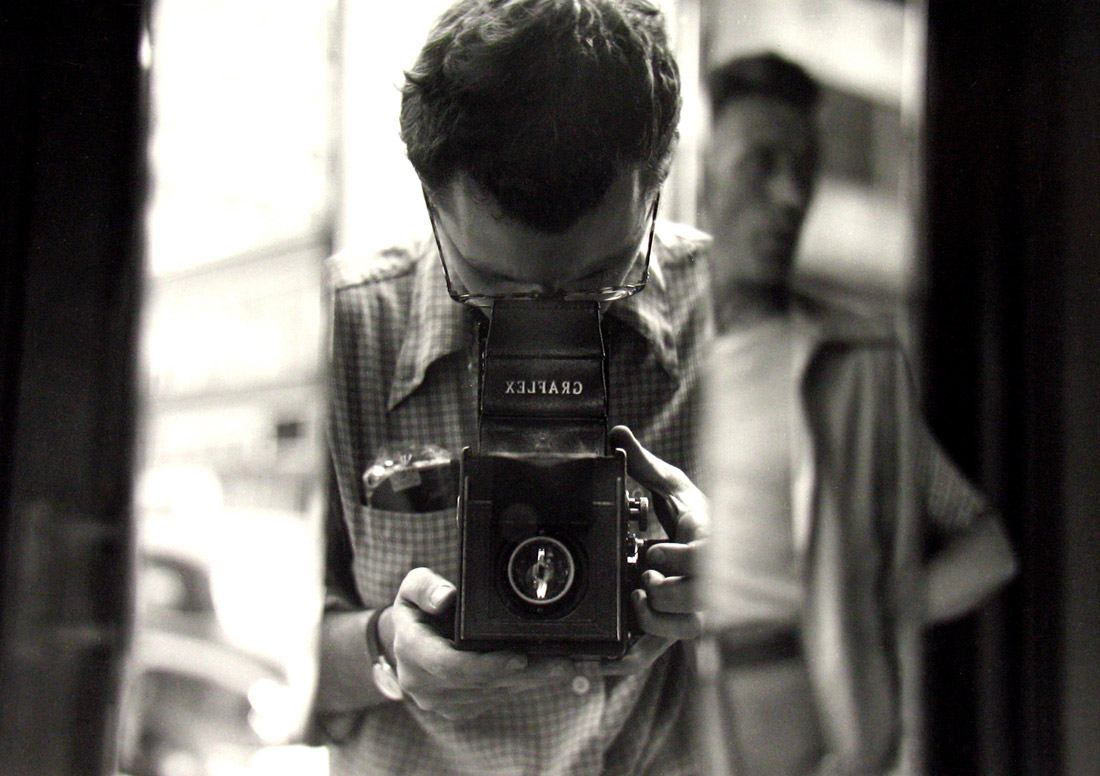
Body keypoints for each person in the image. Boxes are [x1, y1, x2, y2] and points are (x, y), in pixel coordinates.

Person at [313, 2, 711, 775]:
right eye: (492, 282)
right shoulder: (345, 329)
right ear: (431, 200)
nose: (547, 316)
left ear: (659, 178)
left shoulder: (734, 316)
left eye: (600, 278)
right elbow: (268, 659)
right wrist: (385, 647)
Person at [695, 52, 1019, 775]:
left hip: (805, 726)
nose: (788, 195)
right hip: (669, 721)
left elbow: (985, 547)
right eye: (762, 162)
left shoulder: (854, 363)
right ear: (702, 172)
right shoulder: (639, 349)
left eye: (805, 167)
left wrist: (874, 616)